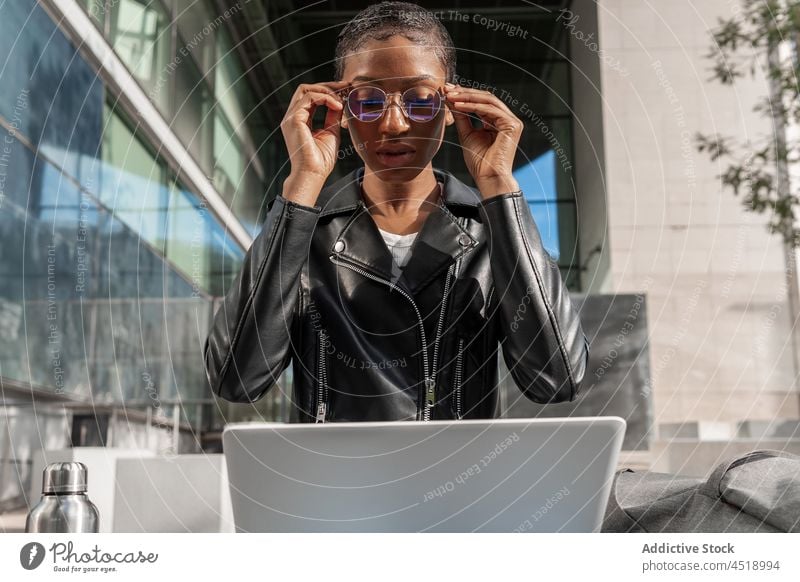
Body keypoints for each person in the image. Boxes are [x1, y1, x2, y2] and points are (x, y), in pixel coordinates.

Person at [204, 1, 590, 422]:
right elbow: (236, 378)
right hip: (334, 484)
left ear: (450, 108)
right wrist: (302, 185)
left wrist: (499, 185)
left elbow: (556, 379)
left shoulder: (490, 233)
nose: (393, 123)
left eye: (421, 100)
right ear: (342, 111)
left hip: (461, 481)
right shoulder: (304, 235)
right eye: (368, 101)